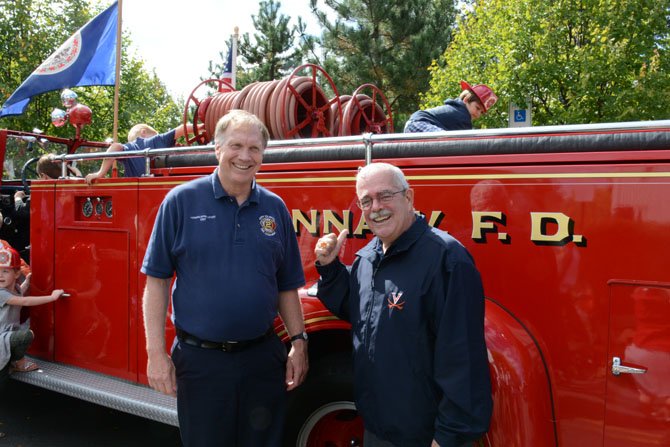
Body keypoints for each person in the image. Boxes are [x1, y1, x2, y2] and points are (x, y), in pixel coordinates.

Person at [141, 110, 308, 446]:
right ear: (216, 149)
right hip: (201, 363)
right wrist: (155, 353)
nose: (245, 156)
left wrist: (299, 343)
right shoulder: (181, 201)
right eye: (235, 145)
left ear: (263, 154)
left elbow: (286, 284)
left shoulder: (275, 208)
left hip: (262, 359)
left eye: (254, 148)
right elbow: (156, 282)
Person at [314, 162, 492, 447]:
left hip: (424, 436)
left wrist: (448, 438)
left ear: (409, 197)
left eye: (385, 196)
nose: (376, 207)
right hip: (376, 429)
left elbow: (463, 359)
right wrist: (330, 269)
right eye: (366, 201)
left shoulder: (446, 261)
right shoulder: (368, 257)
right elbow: (359, 311)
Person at [0, 244, 65, 382]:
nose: (0, 275)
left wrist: (26, 283)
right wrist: (52, 298)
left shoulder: (15, 288)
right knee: (25, 336)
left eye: (5, 271)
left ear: (17, 274)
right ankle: (19, 362)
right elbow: (25, 302)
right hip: (2, 337)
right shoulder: (1, 293)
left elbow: (19, 294)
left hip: (7, 335)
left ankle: (13, 361)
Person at [84, 122, 195, 184]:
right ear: (143, 132)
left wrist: (100, 173)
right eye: (155, 133)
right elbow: (182, 128)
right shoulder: (154, 140)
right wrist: (202, 127)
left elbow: (116, 147)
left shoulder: (129, 149)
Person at [404, 80, 498, 133]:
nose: (478, 114)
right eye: (477, 108)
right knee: (449, 141)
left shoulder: (456, 109)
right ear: (466, 100)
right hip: (419, 123)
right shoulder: (462, 116)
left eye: (481, 112)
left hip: (414, 123)